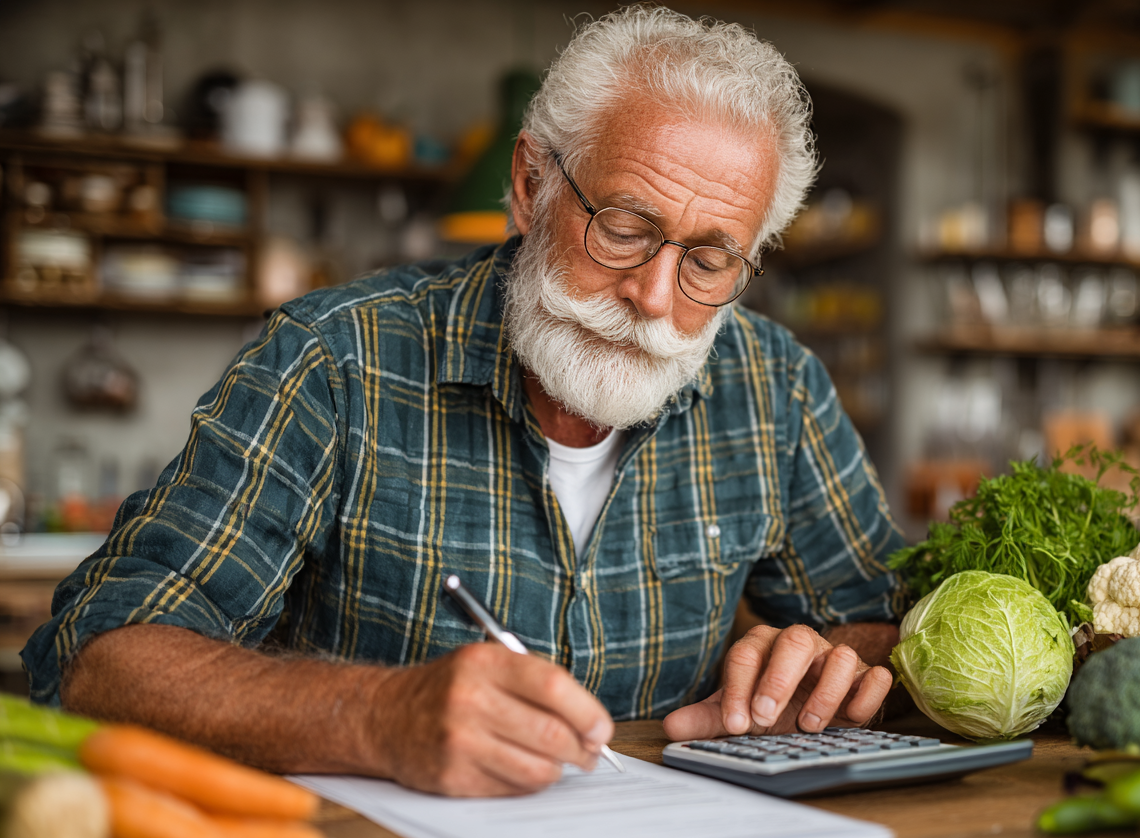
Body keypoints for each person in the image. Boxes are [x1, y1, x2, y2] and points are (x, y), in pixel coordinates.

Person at [23, 6, 905, 797]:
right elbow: (98, 654)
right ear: (531, 185)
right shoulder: (335, 361)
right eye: (625, 229)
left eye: (711, 261)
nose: (654, 297)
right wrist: (372, 718)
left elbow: (888, 623)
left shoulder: (773, 384)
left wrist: (826, 666)